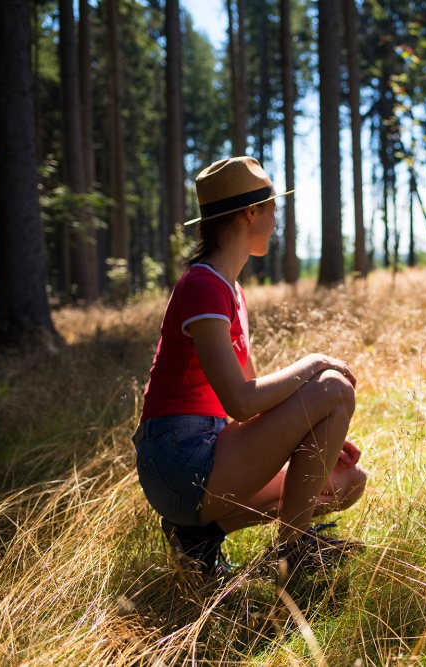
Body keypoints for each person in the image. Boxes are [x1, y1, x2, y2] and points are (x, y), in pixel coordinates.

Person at [132, 156, 367, 585]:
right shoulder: (202, 286)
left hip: (209, 449)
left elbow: (257, 401)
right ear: (251, 213)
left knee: (347, 481)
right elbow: (240, 401)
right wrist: (315, 362)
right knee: (334, 388)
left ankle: (198, 538)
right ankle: (293, 554)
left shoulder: (230, 289)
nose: (276, 222)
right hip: (178, 458)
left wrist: (316, 435)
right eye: (273, 209)